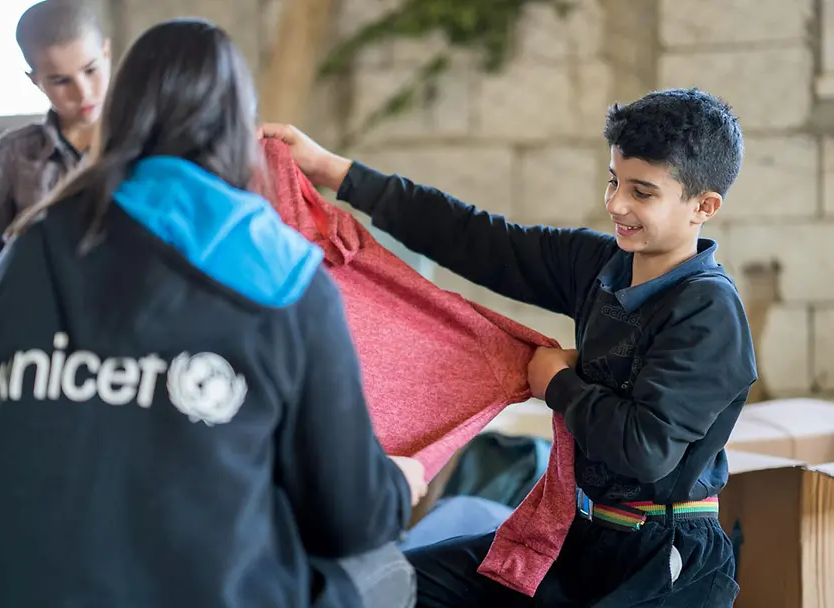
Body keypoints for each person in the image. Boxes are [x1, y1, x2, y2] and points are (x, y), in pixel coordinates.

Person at [0, 18, 423, 608]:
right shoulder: (281, 272)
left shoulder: (28, 247)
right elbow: (348, 519)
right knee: (387, 570)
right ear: (238, 126)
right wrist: (399, 486)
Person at [260, 87, 758, 607]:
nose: (616, 204)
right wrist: (330, 170)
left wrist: (558, 385)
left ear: (704, 205)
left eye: (642, 192)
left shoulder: (707, 314)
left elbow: (645, 450)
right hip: (574, 536)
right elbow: (472, 236)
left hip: (660, 563)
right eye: (614, 182)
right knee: (383, 588)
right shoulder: (596, 265)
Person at [0, 0, 111, 334]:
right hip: (38, 336)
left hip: (121, 338)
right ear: (35, 80)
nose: (82, 92)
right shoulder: (16, 155)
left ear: (107, 54)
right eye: (59, 80)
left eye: (91, 70)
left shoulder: (142, 146)